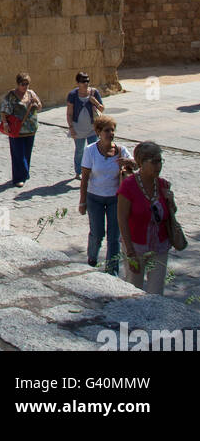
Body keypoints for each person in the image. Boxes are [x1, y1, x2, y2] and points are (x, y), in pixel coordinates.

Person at [118, 141, 176, 294]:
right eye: (154, 161)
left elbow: (170, 215)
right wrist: (130, 251)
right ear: (141, 162)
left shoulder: (163, 185)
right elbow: (122, 219)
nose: (159, 166)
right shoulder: (128, 186)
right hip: (136, 247)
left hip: (160, 246)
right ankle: (128, 320)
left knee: (156, 293)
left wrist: (171, 202)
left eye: (160, 161)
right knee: (133, 290)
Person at [77, 116, 132, 274]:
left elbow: (136, 164)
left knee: (114, 236)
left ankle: (112, 270)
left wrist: (130, 163)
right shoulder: (90, 151)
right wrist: (82, 202)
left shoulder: (121, 151)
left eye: (112, 130)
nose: (110, 133)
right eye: (107, 130)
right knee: (97, 232)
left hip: (116, 199)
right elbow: (85, 177)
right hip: (95, 198)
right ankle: (92, 257)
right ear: (98, 132)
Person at [0, 72, 41, 186]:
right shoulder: (11, 95)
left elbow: (40, 106)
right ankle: (19, 178)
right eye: (23, 84)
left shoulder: (31, 93)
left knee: (27, 153)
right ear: (18, 84)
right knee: (18, 154)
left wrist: (36, 105)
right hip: (16, 129)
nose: (25, 86)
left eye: (27, 84)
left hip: (30, 128)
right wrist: (5, 123)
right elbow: (4, 110)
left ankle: (24, 174)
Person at [66, 72, 105, 179]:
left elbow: (102, 109)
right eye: (83, 81)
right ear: (78, 83)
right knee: (79, 150)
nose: (86, 83)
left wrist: (95, 102)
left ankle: (93, 170)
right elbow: (69, 113)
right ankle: (78, 171)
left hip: (93, 128)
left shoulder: (94, 92)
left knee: (94, 150)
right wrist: (71, 128)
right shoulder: (72, 95)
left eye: (87, 81)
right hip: (78, 128)